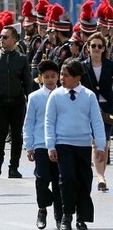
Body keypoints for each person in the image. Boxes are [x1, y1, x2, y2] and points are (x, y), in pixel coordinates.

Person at [45, 59, 106, 230]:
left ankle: (82, 218)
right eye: (61, 75)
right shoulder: (55, 96)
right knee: (67, 180)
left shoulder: (89, 96)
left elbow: (97, 121)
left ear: (77, 77)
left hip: (83, 145)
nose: (61, 79)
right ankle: (67, 216)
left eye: (66, 75)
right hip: (63, 144)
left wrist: (100, 146)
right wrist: (51, 146)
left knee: (84, 181)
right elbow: (49, 122)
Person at [0, 25, 32, 179]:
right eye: (1, 37)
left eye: (5, 37)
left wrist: (31, 102)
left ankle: (14, 167)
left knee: (17, 135)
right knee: (1, 134)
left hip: (17, 102)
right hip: (0, 101)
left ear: (14, 39)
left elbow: (27, 82)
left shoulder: (22, 59)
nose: (1, 40)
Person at [23, 60, 62, 230]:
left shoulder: (63, 95)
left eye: (53, 76)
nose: (50, 80)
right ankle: (42, 209)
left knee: (59, 181)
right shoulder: (34, 97)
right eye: (47, 77)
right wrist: (28, 145)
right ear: (40, 78)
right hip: (40, 143)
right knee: (42, 177)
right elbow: (29, 122)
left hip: (60, 143)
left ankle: (60, 217)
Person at [79, 32, 113, 192]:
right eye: (93, 46)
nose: (97, 49)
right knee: (94, 142)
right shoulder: (82, 66)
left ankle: (101, 175)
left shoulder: (110, 65)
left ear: (104, 48)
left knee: (104, 141)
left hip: (107, 109)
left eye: (100, 46)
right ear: (88, 48)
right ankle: (100, 176)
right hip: (89, 109)